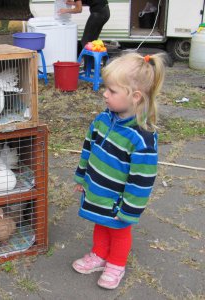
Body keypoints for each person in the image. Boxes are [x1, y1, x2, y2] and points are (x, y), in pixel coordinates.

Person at [72, 52, 166, 289]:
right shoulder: (104, 119)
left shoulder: (141, 139)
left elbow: (142, 180)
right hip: (98, 188)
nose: (104, 93)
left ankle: (116, 264)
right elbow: (88, 146)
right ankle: (99, 255)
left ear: (135, 97)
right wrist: (82, 175)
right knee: (100, 222)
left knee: (119, 229)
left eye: (112, 91)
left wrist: (130, 210)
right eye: (106, 88)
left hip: (118, 198)